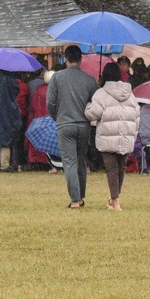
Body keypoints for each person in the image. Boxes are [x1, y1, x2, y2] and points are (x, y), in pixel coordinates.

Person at [84, 63, 140, 212]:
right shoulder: (130, 94)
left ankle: (115, 201)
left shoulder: (101, 93)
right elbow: (137, 116)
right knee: (121, 168)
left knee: (112, 169)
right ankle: (115, 197)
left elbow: (92, 114)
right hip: (126, 136)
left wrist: (89, 104)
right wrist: (133, 135)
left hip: (108, 136)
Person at [45, 46, 95, 207]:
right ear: (81, 59)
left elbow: (50, 102)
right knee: (81, 160)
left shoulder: (57, 78)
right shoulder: (89, 79)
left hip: (65, 124)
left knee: (69, 162)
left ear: (65, 59)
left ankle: (75, 199)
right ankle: (80, 194)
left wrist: (56, 116)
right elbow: (95, 102)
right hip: (84, 125)